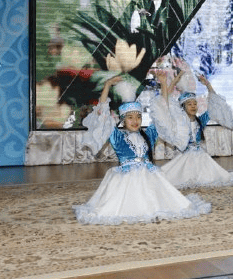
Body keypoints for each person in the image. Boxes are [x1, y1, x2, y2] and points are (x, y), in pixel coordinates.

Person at [74, 74, 211, 225]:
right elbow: (103, 113)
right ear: (123, 120)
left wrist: (163, 84)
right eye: (130, 117)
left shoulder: (149, 135)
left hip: (149, 178)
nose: (135, 121)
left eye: (138, 117)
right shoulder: (117, 136)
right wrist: (107, 85)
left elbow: (163, 111)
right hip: (126, 181)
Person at [150, 71, 233, 189]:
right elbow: (166, 103)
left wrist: (208, 84)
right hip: (185, 157)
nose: (193, 106)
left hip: (201, 157)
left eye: (195, 103)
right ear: (183, 107)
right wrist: (174, 81)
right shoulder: (179, 122)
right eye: (189, 104)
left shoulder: (201, 120)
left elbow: (215, 104)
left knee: (215, 177)